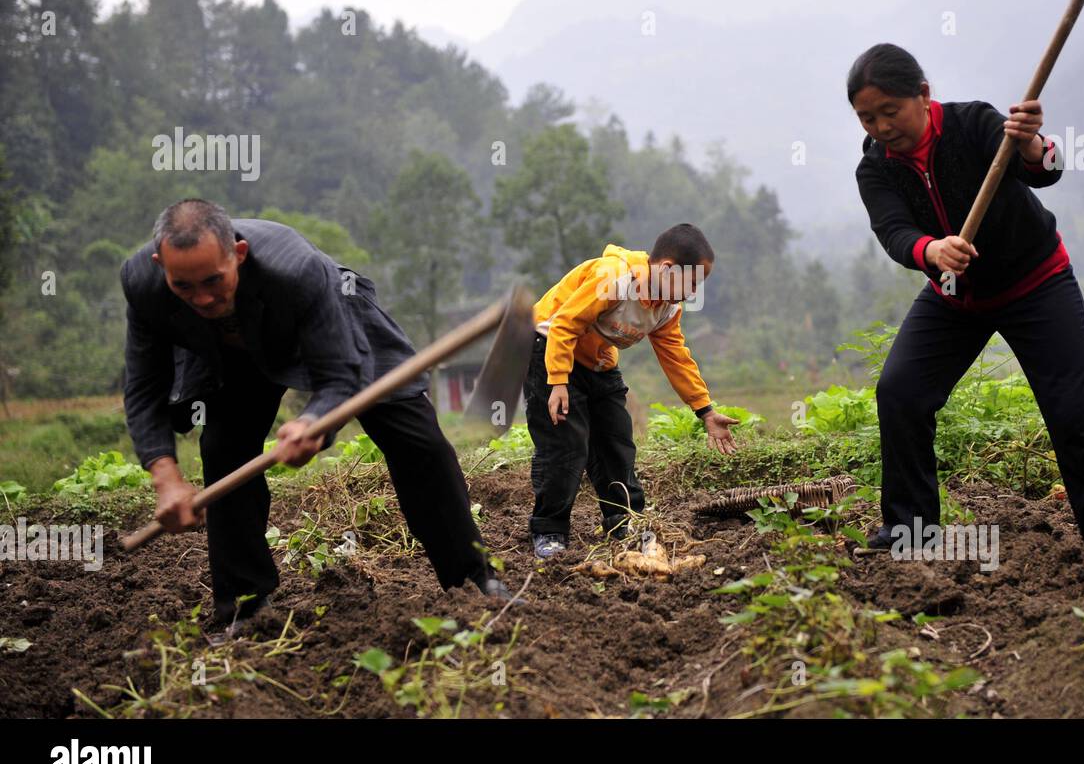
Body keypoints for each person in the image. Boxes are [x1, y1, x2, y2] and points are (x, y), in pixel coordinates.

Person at [121, 199, 512, 633]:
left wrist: (313, 423)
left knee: (417, 440)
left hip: (331, 324)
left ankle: (472, 580)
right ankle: (246, 607)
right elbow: (143, 387)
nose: (204, 297)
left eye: (214, 280)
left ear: (239, 253)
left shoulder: (297, 269)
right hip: (232, 351)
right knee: (223, 449)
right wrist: (165, 477)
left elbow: (343, 371)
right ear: (161, 266)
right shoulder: (142, 283)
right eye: (185, 287)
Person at [848, 43, 1084, 548]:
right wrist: (931, 250)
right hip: (955, 297)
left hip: (1036, 284)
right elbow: (894, 232)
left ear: (923, 95)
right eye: (866, 118)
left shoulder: (975, 124)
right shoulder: (876, 168)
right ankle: (911, 530)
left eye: (889, 111)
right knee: (901, 391)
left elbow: (1047, 168)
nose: (881, 127)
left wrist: (1032, 143)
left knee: (1074, 409)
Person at [526, 225, 737, 558]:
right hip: (549, 350)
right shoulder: (614, 278)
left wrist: (705, 411)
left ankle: (624, 521)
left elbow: (676, 357)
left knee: (616, 442)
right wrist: (558, 381)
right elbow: (564, 323)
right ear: (668, 269)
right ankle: (549, 530)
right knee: (565, 445)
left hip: (597, 361)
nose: (693, 292)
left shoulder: (666, 307)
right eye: (693, 282)